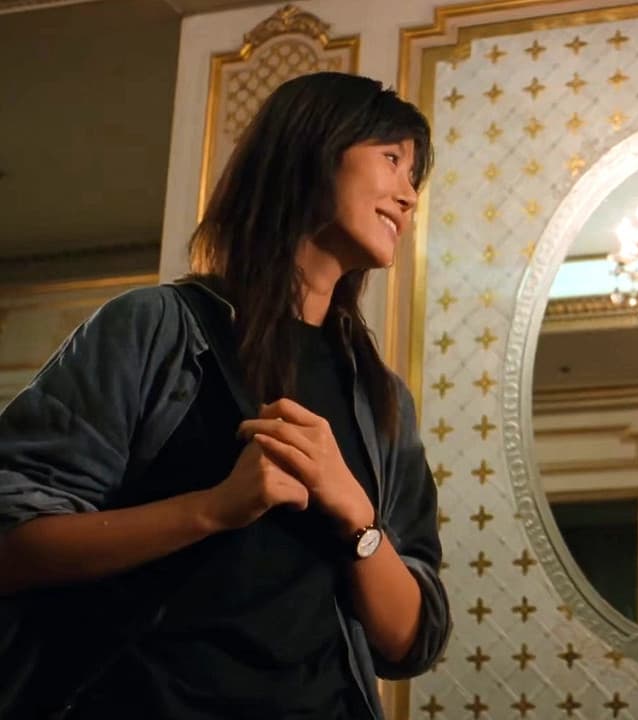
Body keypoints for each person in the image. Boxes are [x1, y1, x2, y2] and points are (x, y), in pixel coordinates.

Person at [0, 72, 450, 719]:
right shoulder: (154, 328)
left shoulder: (384, 401)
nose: (409, 196)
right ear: (313, 151)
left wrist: (358, 517)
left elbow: (411, 642)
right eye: (391, 159)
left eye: (414, 176)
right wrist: (213, 509)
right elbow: (14, 544)